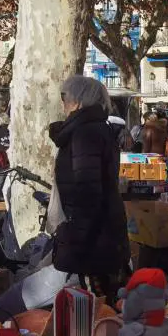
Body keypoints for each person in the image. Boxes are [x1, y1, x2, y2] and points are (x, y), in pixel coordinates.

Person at [51, 75, 129, 303]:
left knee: (98, 309)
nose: (62, 103)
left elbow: (88, 191)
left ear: (78, 101)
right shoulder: (91, 130)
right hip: (97, 233)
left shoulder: (87, 133)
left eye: (64, 97)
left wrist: (76, 235)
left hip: (96, 236)